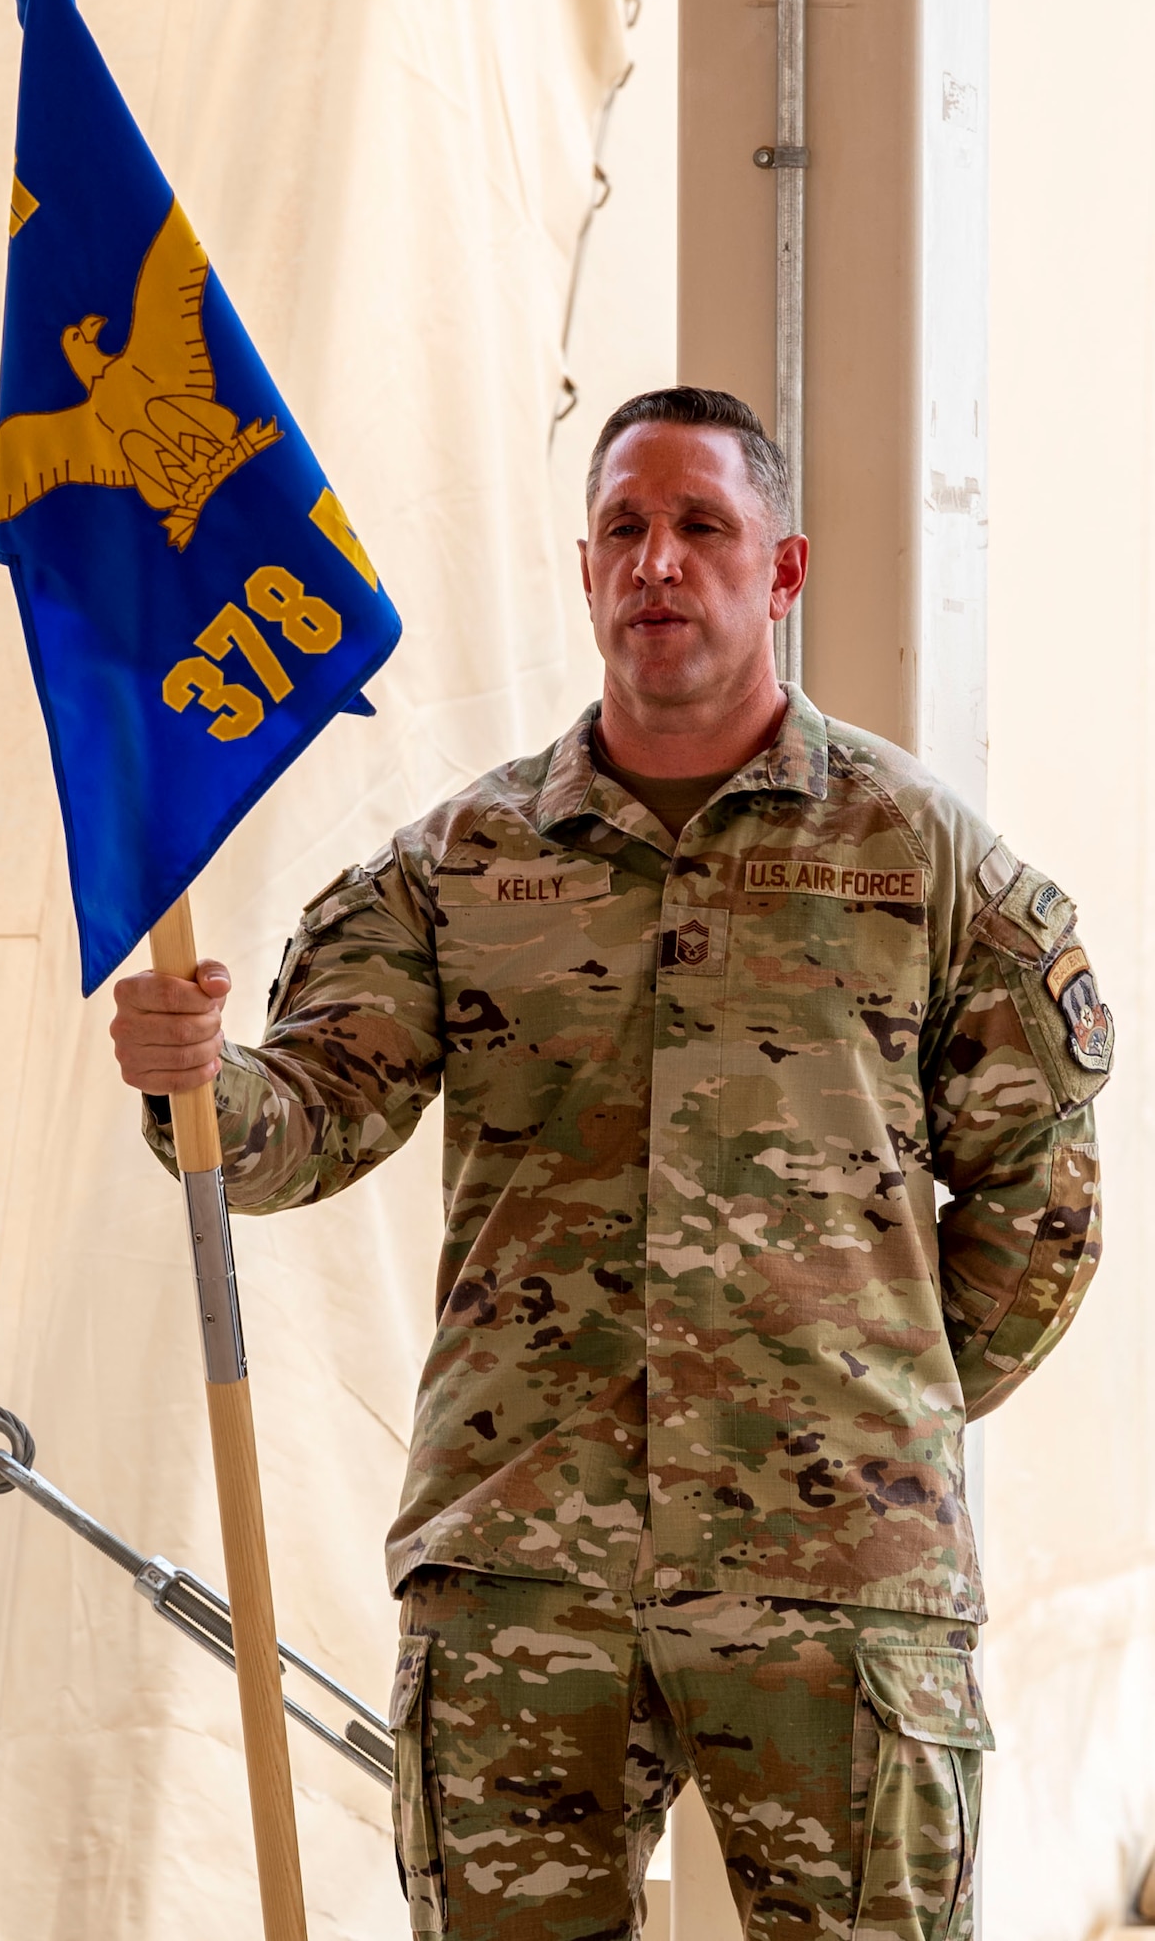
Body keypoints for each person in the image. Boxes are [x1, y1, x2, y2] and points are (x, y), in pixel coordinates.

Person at [111, 388, 1110, 1940]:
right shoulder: (462, 861)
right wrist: (200, 1083)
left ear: (780, 571)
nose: (661, 563)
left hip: (837, 1585)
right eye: (626, 532)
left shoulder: (926, 859)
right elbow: (299, 1125)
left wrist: (864, 1408)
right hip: (524, 1567)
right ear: (584, 573)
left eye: (702, 527)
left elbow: (1041, 1197)